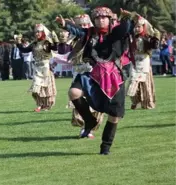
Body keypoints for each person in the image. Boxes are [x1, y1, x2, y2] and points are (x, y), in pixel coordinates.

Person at [56, 8, 137, 154]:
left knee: (114, 115)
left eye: (104, 18)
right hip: (93, 73)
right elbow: (77, 31)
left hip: (114, 76)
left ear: (109, 19)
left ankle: (105, 146)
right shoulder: (90, 33)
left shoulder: (116, 32)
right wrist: (64, 24)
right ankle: (90, 120)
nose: (101, 20)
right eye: (98, 18)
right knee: (74, 92)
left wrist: (126, 17)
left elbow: (126, 28)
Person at [16, 24, 58, 112]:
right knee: (36, 88)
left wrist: (55, 40)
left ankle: (45, 105)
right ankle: (40, 104)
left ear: (43, 32)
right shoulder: (34, 44)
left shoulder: (47, 42)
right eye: (35, 32)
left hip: (46, 67)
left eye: (38, 32)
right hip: (37, 68)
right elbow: (24, 50)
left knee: (47, 88)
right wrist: (18, 42)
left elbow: (55, 48)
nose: (36, 33)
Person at [127, 16, 160, 110]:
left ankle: (147, 103)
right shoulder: (131, 37)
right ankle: (135, 100)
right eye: (135, 27)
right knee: (132, 82)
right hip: (134, 61)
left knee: (145, 83)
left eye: (139, 27)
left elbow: (154, 44)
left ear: (143, 27)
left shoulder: (148, 37)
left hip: (144, 60)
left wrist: (155, 38)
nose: (137, 29)